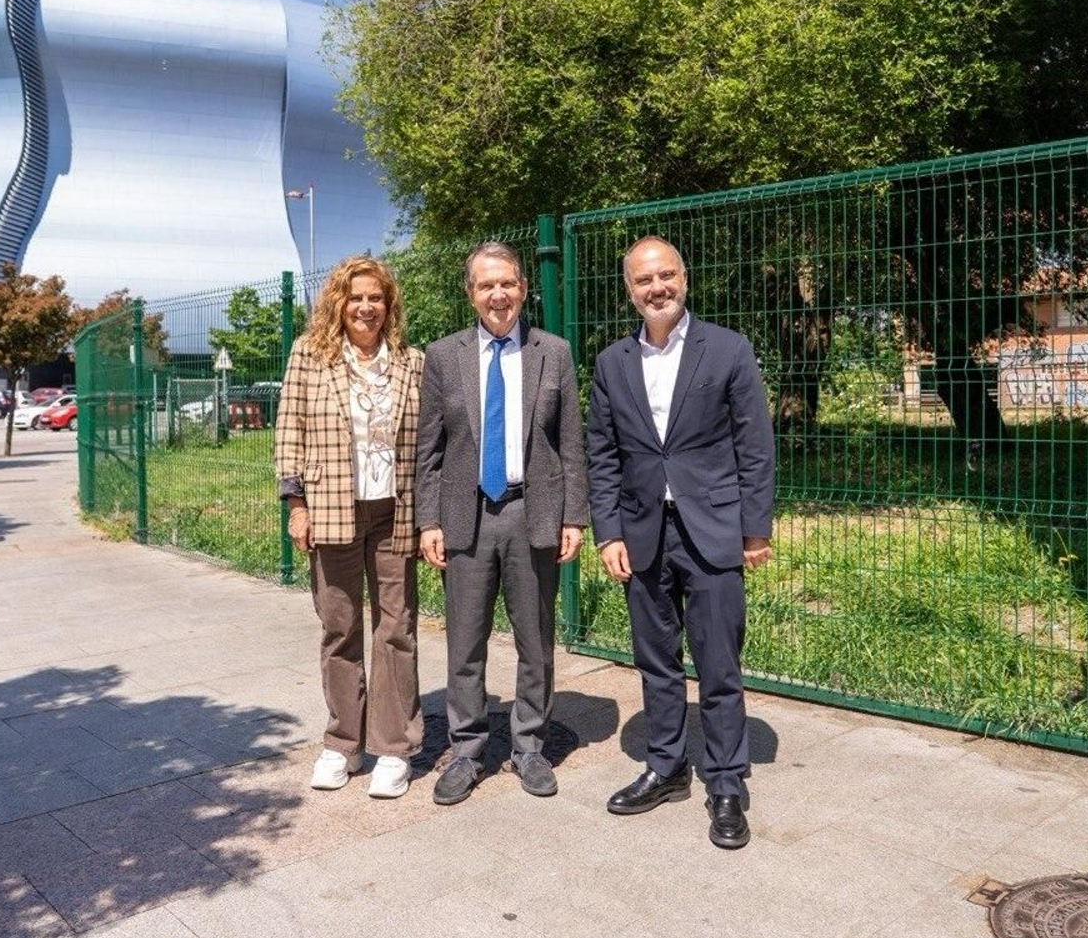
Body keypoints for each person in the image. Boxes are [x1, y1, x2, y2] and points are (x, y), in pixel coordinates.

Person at [587, 236, 775, 849]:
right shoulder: (612, 363)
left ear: (684, 279)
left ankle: (726, 782)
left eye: (666, 275)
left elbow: (754, 445)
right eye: (644, 280)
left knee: (719, 663)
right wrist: (608, 532)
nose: (657, 288)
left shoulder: (727, 349)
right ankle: (666, 766)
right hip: (642, 532)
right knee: (656, 660)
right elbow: (602, 455)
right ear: (629, 290)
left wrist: (755, 528)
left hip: (713, 530)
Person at [415, 241, 589, 805]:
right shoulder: (444, 356)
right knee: (465, 643)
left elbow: (571, 443)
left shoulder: (553, 352)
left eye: (508, 283)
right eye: (487, 285)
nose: (498, 295)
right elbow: (429, 450)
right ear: (471, 293)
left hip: (532, 513)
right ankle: (467, 750)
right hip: (464, 518)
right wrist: (428, 521)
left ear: (523, 288)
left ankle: (530, 746)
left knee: (535, 640)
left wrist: (574, 516)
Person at [274, 256, 425, 799]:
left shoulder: (412, 362)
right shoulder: (309, 355)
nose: (366, 307)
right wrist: (296, 505)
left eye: (376, 298)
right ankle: (342, 743)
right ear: (338, 302)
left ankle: (394, 748)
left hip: (395, 512)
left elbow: (428, 440)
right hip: (331, 508)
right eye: (356, 297)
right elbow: (289, 431)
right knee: (339, 628)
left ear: (389, 305)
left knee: (396, 628)